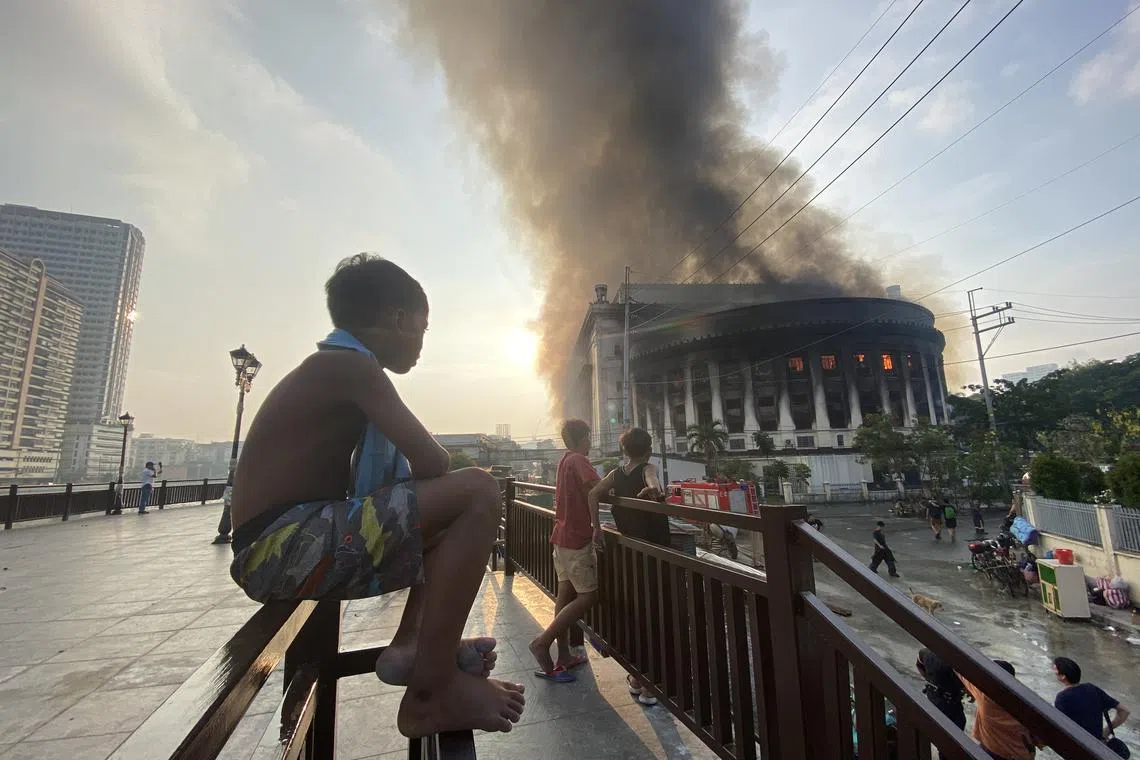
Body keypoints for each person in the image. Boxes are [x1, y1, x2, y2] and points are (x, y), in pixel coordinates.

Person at [228, 254, 525, 738]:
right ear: (398, 318)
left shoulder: (336, 365)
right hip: (277, 547)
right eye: (422, 328)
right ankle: (433, 693)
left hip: (280, 543)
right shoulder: (351, 368)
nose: (422, 343)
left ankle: (413, 649)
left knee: (446, 517)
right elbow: (435, 465)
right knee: (478, 491)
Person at [589, 426, 665, 704]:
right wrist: (653, 491)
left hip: (628, 555)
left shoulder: (614, 474)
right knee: (656, 617)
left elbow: (593, 494)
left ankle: (635, 676)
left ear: (623, 451)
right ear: (649, 450)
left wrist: (596, 528)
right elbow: (652, 480)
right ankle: (649, 685)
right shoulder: (649, 467)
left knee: (636, 614)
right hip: (656, 557)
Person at [529, 419, 601, 683]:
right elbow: (595, 489)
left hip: (561, 537)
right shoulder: (580, 461)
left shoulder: (564, 460)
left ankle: (564, 656)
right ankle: (543, 642)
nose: (591, 443)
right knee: (588, 596)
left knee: (565, 594)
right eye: (590, 437)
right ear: (584, 438)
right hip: (576, 539)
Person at [957, 660, 1042, 760]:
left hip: (990, 747)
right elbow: (1040, 736)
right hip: (1018, 753)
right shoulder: (1025, 703)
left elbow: (962, 671)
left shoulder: (984, 696)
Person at [1052, 656, 1130, 743]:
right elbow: (1125, 711)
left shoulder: (1062, 698)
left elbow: (1059, 728)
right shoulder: (1091, 688)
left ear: (1063, 676)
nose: (1053, 671)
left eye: (1055, 670)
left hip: (1078, 746)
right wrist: (1106, 731)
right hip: (1098, 744)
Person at [917, 648, 967, 757]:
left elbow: (919, 663)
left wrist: (928, 678)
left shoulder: (926, 653)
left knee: (942, 732)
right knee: (954, 733)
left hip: (933, 696)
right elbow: (961, 683)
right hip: (950, 703)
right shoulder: (950, 663)